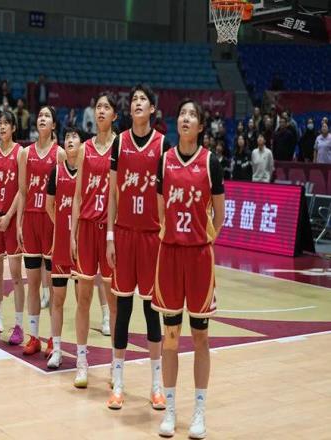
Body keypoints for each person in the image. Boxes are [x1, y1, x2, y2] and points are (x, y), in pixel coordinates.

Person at [152, 99, 225, 439]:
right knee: (170, 336)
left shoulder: (211, 162)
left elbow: (219, 215)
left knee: (200, 336)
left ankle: (199, 413)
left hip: (198, 258)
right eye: (182, 113)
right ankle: (170, 411)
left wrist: (203, 239)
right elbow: (160, 209)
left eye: (192, 115)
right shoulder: (165, 160)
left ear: (200, 126)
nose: (186, 118)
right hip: (169, 255)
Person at [105, 85, 165, 409]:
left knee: (152, 313)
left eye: (143, 99)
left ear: (152, 109)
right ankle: (118, 383)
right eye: (134, 100)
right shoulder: (120, 142)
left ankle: (157, 385)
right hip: (125, 235)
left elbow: (165, 199)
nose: (137, 103)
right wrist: (110, 237)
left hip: (152, 237)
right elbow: (113, 194)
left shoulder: (162, 145)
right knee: (123, 311)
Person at [70, 93, 118, 388]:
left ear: (114, 115)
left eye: (106, 107)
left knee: (113, 302)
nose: (101, 111)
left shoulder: (120, 147)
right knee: (83, 299)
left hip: (109, 231)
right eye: (98, 107)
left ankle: (116, 363)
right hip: (87, 228)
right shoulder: (85, 149)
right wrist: (72, 234)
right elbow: (77, 196)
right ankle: (82, 362)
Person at [16, 106, 66, 356]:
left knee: (53, 287)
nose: (42, 118)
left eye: (47, 116)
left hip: (51, 221)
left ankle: (53, 340)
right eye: (40, 116)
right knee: (33, 283)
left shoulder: (60, 154)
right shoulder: (25, 153)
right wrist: (18, 223)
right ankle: (34, 337)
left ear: (54, 125)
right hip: (31, 221)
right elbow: (22, 191)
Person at [0, 114, 25, 345]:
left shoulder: (20, 152)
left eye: (6, 124)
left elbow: (22, 189)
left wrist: (9, 216)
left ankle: (18, 326)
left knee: (17, 275)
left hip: (11, 219)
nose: (2, 127)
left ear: (14, 128)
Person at [45, 125, 81, 368]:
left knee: (81, 302)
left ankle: (80, 351)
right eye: (67, 137)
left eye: (74, 137)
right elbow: (49, 205)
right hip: (60, 245)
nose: (70, 140)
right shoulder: (56, 172)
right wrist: (60, 224)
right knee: (57, 299)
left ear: (81, 144)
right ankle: (57, 350)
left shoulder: (86, 172)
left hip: (79, 245)